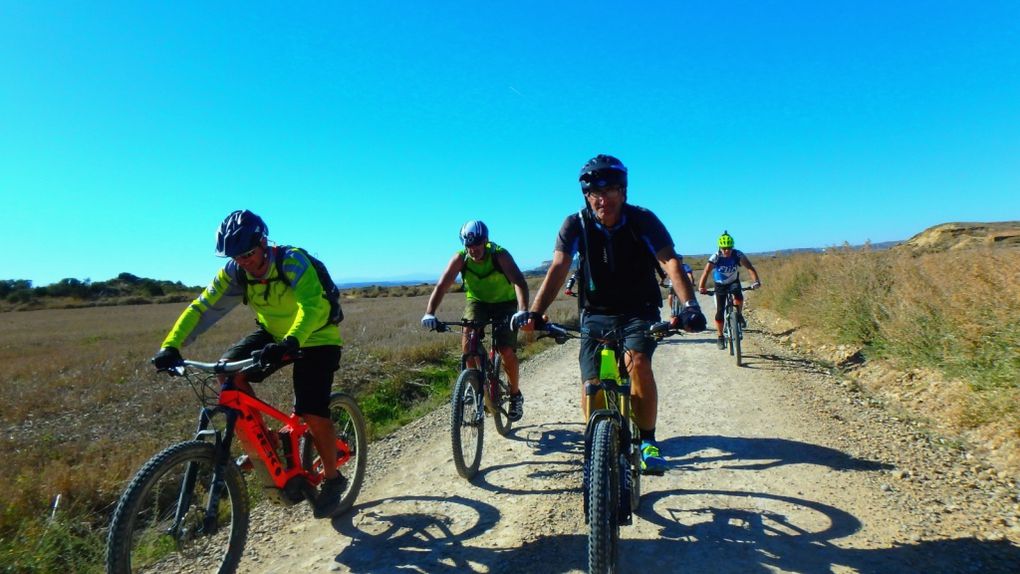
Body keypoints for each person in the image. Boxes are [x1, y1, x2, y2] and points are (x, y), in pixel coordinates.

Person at [516, 154, 707, 474]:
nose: (601, 199)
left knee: (639, 363)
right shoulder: (574, 224)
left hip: (638, 310)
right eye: (593, 193)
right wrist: (535, 313)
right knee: (591, 382)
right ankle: (597, 439)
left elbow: (669, 261)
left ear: (623, 191)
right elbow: (560, 267)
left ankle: (648, 440)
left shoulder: (643, 219)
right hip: (595, 313)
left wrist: (690, 306)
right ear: (585, 195)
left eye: (609, 191)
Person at [151, 209, 346, 518]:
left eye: (248, 254)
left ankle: (334, 480)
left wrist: (292, 341)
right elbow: (201, 307)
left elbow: (313, 305)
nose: (243, 262)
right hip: (273, 334)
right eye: (236, 257)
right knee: (227, 373)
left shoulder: (292, 260)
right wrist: (170, 345)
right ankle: (268, 447)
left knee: (311, 408)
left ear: (263, 242)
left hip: (317, 336)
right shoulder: (234, 271)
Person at [421, 220, 530, 421]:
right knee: (468, 346)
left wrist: (523, 310)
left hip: (505, 303)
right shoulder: (460, 259)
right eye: (468, 246)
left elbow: (519, 282)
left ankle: (515, 395)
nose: (473, 250)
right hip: (478, 302)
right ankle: (476, 383)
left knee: (505, 349)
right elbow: (442, 286)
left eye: (477, 245)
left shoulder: (500, 255)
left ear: (486, 241)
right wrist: (430, 312)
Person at [697, 231, 762, 349]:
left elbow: (749, 268)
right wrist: (701, 286)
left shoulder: (738, 255)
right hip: (720, 285)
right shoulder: (715, 256)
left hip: (733, 282)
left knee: (738, 297)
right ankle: (720, 336)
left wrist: (756, 281)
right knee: (720, 312)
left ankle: (739, 315)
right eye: (724, 248)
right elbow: (706, 272)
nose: (727, 250)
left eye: (729, 248)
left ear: (733, 247)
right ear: (720, 247)